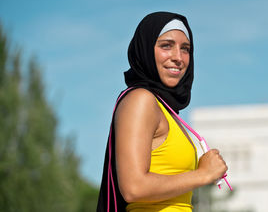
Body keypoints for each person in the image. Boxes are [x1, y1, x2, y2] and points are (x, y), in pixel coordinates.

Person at [97, 11, 228, 212]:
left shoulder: (166, 110)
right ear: (146, 50)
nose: (178, 57)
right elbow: (134, 188)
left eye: (185, 49)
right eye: (166, 46)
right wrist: (202, 174)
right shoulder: (140, 100)